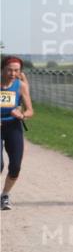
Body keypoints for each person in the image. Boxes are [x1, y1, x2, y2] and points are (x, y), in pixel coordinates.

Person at [1, 55, 35, 211]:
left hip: (13, 127)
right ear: (2, 69)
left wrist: (21, 115)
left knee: (15, 166)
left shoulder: (21, 86)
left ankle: (5, 195)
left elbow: (30, 111)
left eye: (16, 71)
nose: (12, 74)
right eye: (9, 70)